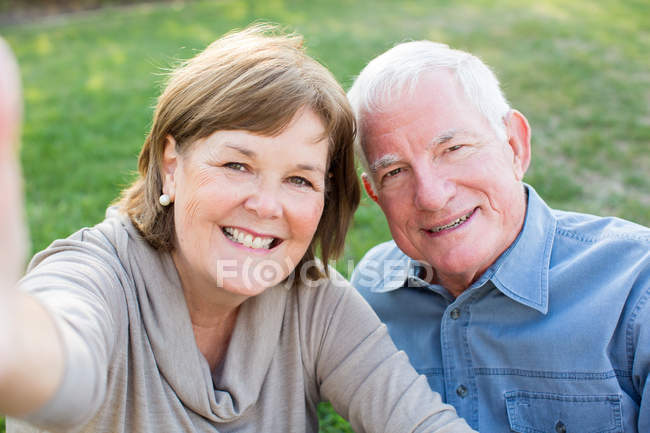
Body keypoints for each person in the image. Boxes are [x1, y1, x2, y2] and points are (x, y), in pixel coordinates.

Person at [0, 28, 476, 433]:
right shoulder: (97, 275)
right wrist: (16, 345)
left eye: (299, 179)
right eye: (236, 164)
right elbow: (59, 364)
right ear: (171, 166)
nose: (267, 206)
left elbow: (419, 422)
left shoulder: (313, 300)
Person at [348, 40, 650, 432]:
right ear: (374, 194)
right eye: (395, 172)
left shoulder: (636, 289)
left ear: (515, 145)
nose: (432, 196)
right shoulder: (373, 296)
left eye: (454, 148)